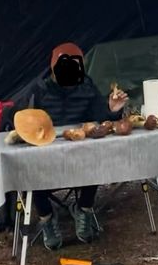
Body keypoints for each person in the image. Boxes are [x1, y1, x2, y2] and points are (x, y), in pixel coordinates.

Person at [10, 42, 128, 250]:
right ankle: (47, 217)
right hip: (46, 154)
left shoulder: (87, 87)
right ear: (54, 67)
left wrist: (112, 110)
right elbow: (19, 120)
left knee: (94, 157)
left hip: (79, 154)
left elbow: (101, 120)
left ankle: (83, 208)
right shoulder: (39, 90)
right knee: (33, 168)